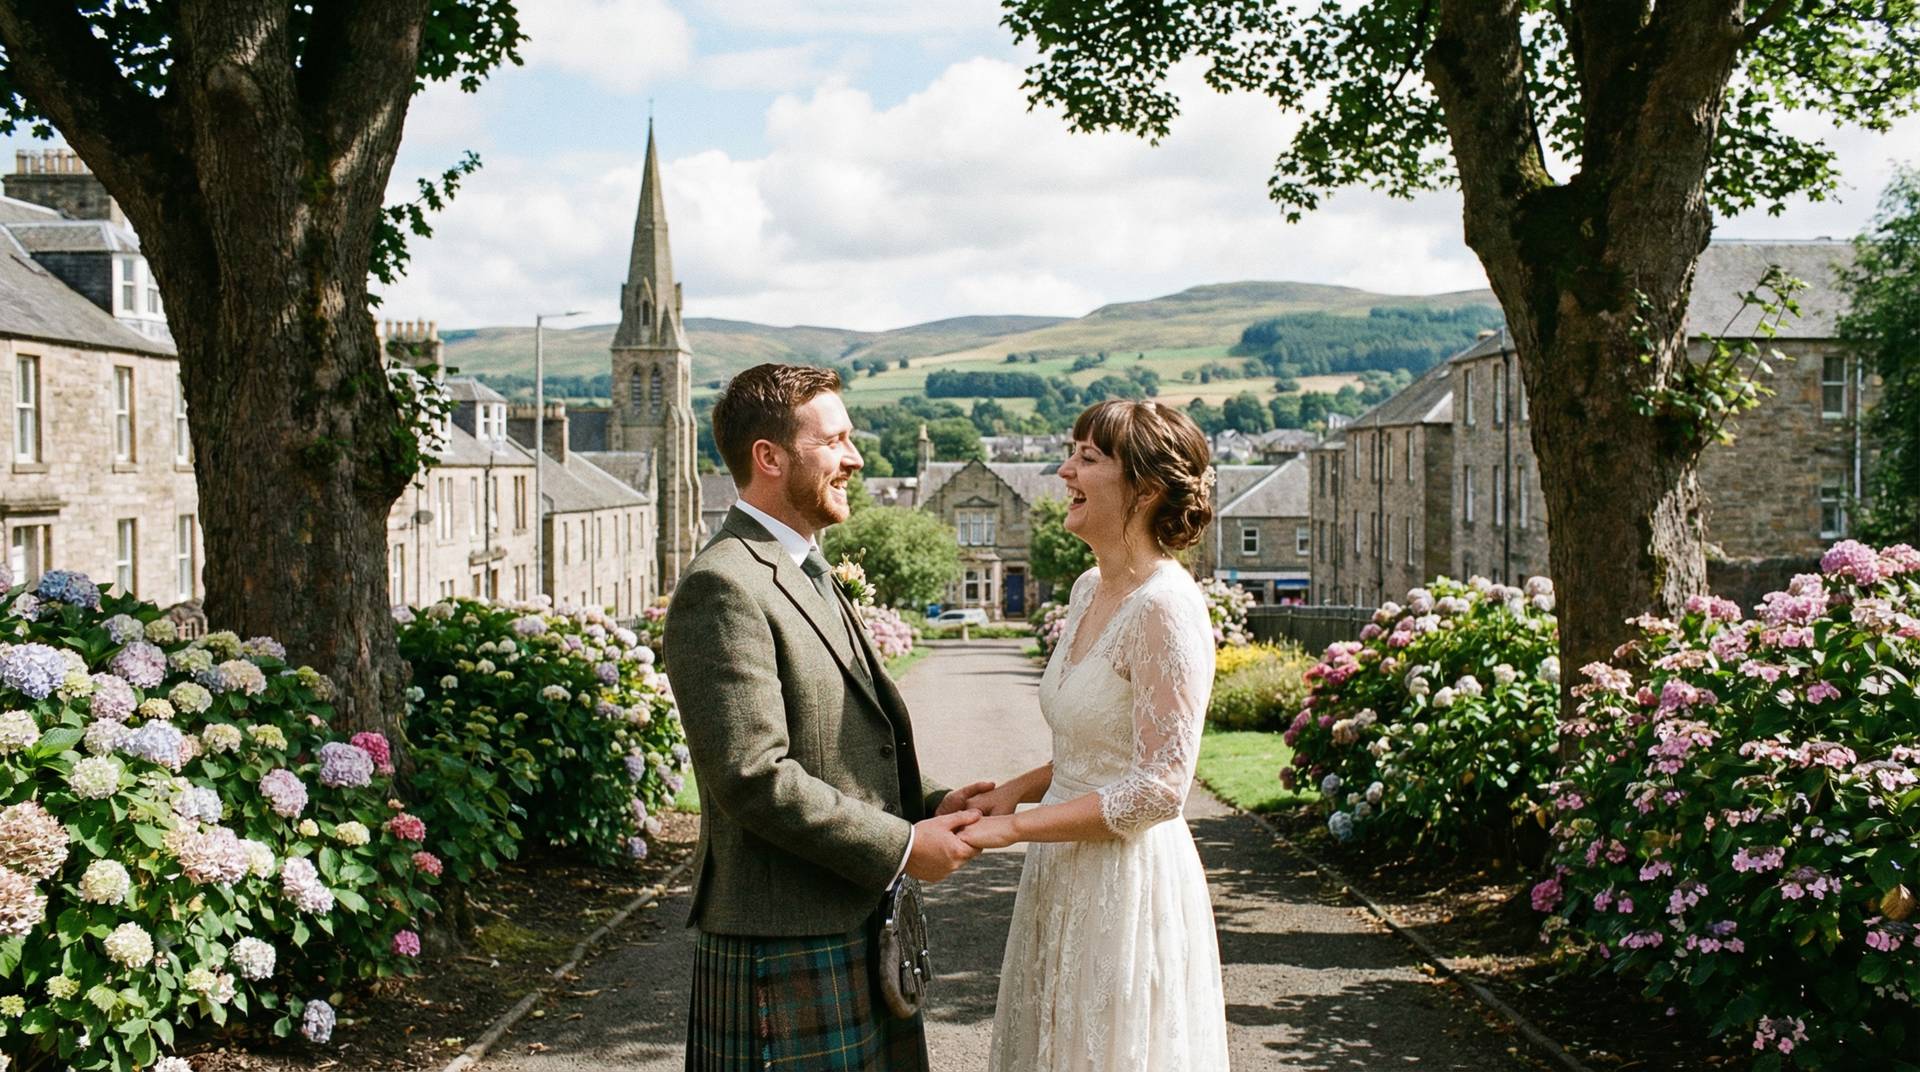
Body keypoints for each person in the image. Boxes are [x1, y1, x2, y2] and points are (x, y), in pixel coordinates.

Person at [665, 363, 995, 1072]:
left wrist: (932, 802)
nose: (855, 458)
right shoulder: (724, 584)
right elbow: (752, 775)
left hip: (851, 922)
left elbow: (839, 742)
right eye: (837, 441)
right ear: (770, 457)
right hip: (781, 939)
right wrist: (905, 846)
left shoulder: (804, 566)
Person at [962, 398, 1231, 1071]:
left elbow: (1159, 790)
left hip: (1126, 882)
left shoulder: (1165, 608)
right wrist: (1015, 792)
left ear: (1145, 487)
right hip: (1063, 868)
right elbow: (1097, 743)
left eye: (1087, 458)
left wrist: (1016, 829)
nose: (1063, 471)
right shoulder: (1088, 588)